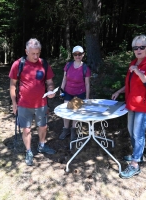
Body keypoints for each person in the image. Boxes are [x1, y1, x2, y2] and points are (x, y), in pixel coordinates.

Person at [111, 34, 146, 179]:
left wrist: (138, 72)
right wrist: (119, 91)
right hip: (131, 104)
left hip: (144, 105)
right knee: (132, 132)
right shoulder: (133, 63)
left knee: (138, 134)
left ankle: (135, 165)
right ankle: (137, 155)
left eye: (142, 47)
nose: (138, 50)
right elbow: (130, 84)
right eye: (135, 47)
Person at [9, 38, 56, 166]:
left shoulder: (44, 64)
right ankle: (28, 151)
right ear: (26, 51)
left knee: (43, 126)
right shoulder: (18, 64)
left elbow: (49, 82)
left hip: (41, 104)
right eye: (33, 53)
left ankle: (41, 145)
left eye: (38, 53)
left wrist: (51, 90)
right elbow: (13, 85)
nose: (36, 56)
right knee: (26, 130)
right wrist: (14, 103)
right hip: (24, 104)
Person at [59, 45, 91, 141]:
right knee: (66, 111)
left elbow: (87, 84)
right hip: (68, 91)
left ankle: (73, 129)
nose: (78, 56)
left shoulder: (85, 68)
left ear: (83, 55)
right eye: (75, 54)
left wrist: (87, 97)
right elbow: (64, 79)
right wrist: (61, 90)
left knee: (75, 111)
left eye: (80, 54)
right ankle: (66, 129)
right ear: (73, 55)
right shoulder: (68, 65)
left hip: (79, 92)